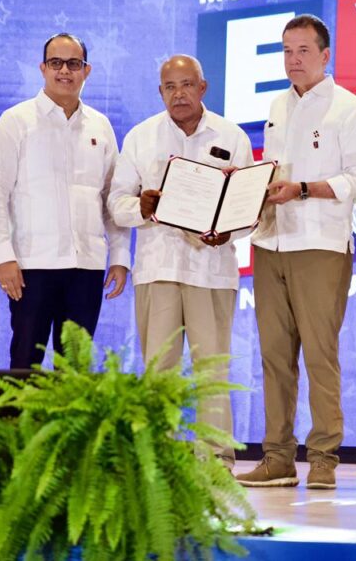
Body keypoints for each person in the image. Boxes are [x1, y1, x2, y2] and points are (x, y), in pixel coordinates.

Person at [233, 14, 356, 490]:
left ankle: (323, 458)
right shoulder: (277, 105)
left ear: (325, 55)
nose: (293, 60)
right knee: (275, 357)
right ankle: (277, 456)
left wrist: (303, 189)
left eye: (303, 51)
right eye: (287, 51)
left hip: (320, 244)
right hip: (270, 241)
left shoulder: (349, 109)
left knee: (319, 355)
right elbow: (274, 173)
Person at [108, 54, 254, 468]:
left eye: (187, 84)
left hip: (212, 269)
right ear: (160, 92)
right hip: (158, 268)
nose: (179, 94)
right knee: (159, 371)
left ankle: (216, 459)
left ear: (202, 88)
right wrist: (141, 206)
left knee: (212, 372)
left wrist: (228, 232)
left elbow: (248, 204)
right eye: (170, 87)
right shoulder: (141, 137)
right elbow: (116, 203)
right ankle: (158, 457)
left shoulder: (231, 135)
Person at [0, 33, 129, 368]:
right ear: (43, 68)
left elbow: (112, 198)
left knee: (75, 370)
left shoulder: (100, 126)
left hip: (86, 266)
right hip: (32, 265)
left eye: (73, 64)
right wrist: (3, 256)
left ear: (86, 70)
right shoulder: (16, 121)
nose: (65, 71)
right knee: (25, 364)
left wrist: (120, 256)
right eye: (56, 63)